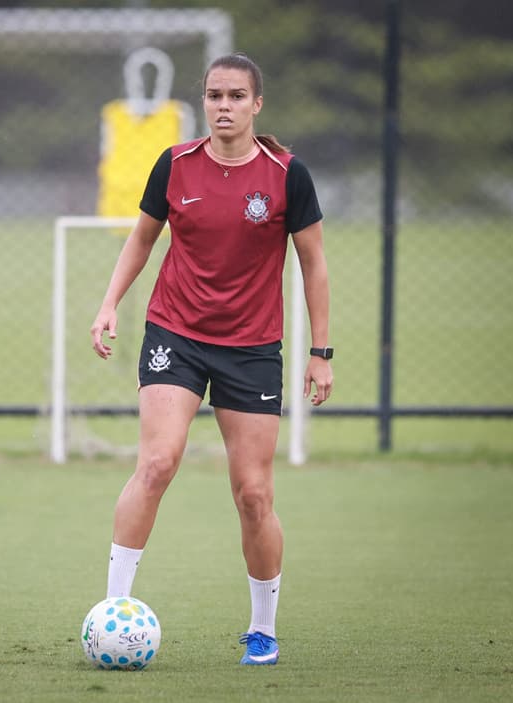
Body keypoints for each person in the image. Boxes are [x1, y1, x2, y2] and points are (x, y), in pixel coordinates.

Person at [89, 52, 333, 666]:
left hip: (252, 349)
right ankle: (112, 610)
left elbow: (314, 263)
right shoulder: (175, 164)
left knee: (253, 494)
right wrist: (110, 304)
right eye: (215, 95)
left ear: (257, 104)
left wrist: (320, 352)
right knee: (157, 463)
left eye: (236, 96)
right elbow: (142, 239)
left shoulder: (287, 175)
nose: (224, 106)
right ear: (204, 102)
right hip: (175, 333)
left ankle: (263, 629)